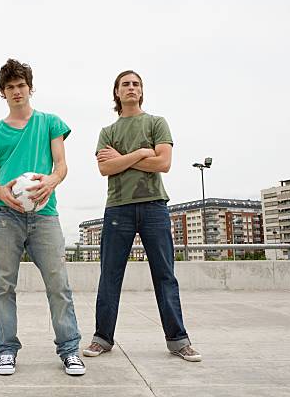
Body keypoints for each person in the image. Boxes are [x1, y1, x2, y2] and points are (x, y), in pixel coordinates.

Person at [82, 70, 202, 362]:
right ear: (117, 92)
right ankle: (102, 338)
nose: (131, 88)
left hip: (154, 207)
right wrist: (140, 154)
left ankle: (178, 341)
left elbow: (163, 162)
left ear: (142, 91)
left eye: (136, 84)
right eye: (126, 84)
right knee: (110, 275)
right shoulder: (107, 131)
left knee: (164, 275)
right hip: (118, 208)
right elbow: (105, 169)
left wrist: (123, 158)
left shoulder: (156, 122)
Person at [0, 59, 85, 376]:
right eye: (9, 87)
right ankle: (6, 351)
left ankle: (69, 350)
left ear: (30, 87)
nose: (16, 91)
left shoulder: (50, 122)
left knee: (58, 285)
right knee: (3, 287)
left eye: (21, 85)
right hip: (4, 216)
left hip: (45, 216)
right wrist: (0, 191)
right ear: (2, 93)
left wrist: (51, 181)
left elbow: (61, 165)